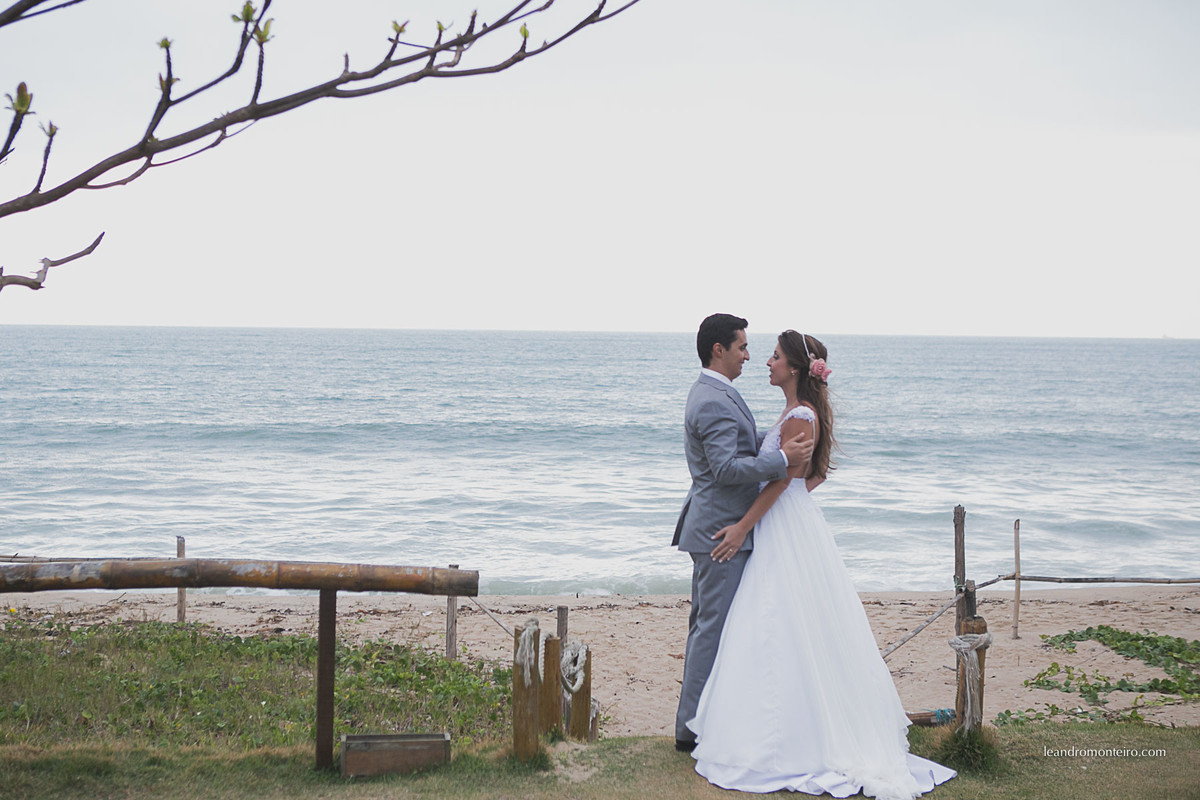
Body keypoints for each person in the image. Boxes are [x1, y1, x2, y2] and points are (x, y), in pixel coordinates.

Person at [688, 331, 956, 799]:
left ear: (794, 368)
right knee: (783, 625)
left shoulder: (801, 415)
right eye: (758, 352)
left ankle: (788, 739)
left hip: (775, 522)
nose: (764, 362)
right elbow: (804, 478)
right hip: (787, 522)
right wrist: (791, 499)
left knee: (775, 624)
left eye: (772, 356)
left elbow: (782, 483)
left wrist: (745, 526)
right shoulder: (796, 413)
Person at [673, 314, 815, 753]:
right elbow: (725, 469)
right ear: (720, 350)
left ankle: (705, 720)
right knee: (711, 630)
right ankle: (691, 731)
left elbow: (740, 443)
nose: (749, 356)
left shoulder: (717, 393)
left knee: (708, 626)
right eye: (742, 347)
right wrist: (779, 459)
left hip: (717, 526)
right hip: (722, 531)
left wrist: (777, 438)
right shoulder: (713, 399)